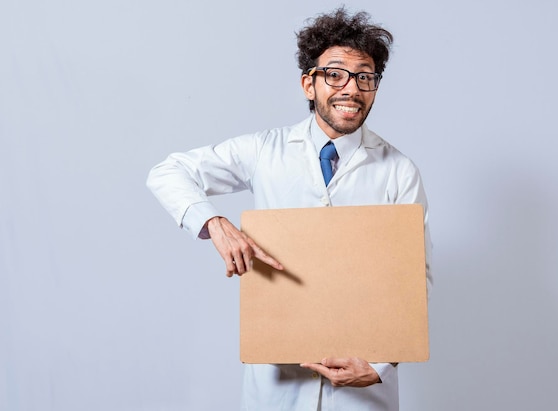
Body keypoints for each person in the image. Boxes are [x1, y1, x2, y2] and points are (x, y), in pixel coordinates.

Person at [147, 7, 432, 411]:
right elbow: (168, 172)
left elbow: (417, 277)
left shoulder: (399, 170)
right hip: (278, 383)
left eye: (364, 76)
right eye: (335, 74)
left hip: (362, 388)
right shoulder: (265, 150)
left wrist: (380, 366)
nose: (351, 88)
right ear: (308, 84)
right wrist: (214, 223)